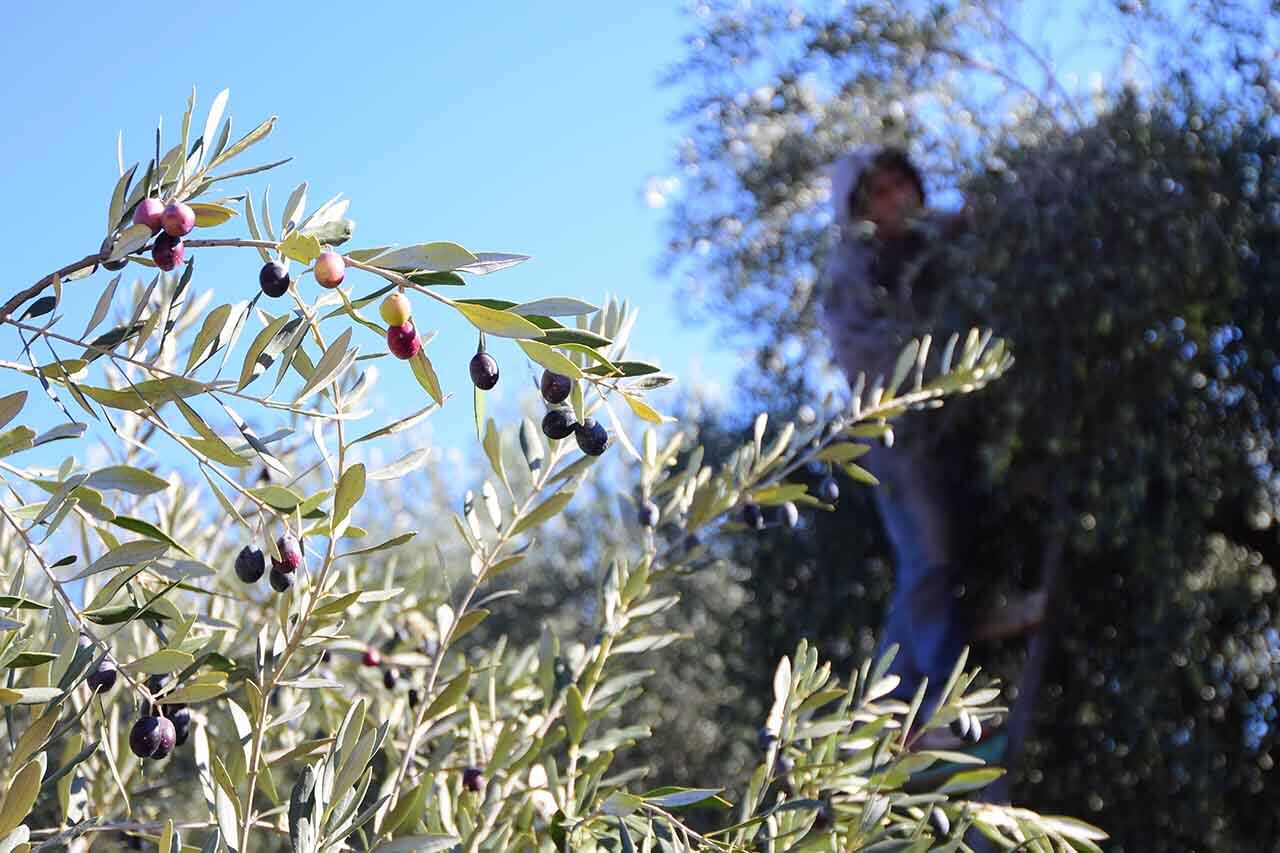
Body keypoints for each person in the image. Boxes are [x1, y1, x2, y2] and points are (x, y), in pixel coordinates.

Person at [819, 145, 1044, 748]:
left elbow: (971, 233)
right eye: (881, 194)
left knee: (939, 565)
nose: (898, 201)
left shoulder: (934, 242)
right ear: (859, 210)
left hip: (944, 431)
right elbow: (867, 357)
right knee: (930, 560)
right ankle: (947, 706)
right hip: (896, 435)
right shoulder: (851, 273)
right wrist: (934, 358)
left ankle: (886, 715)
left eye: (902, 187)